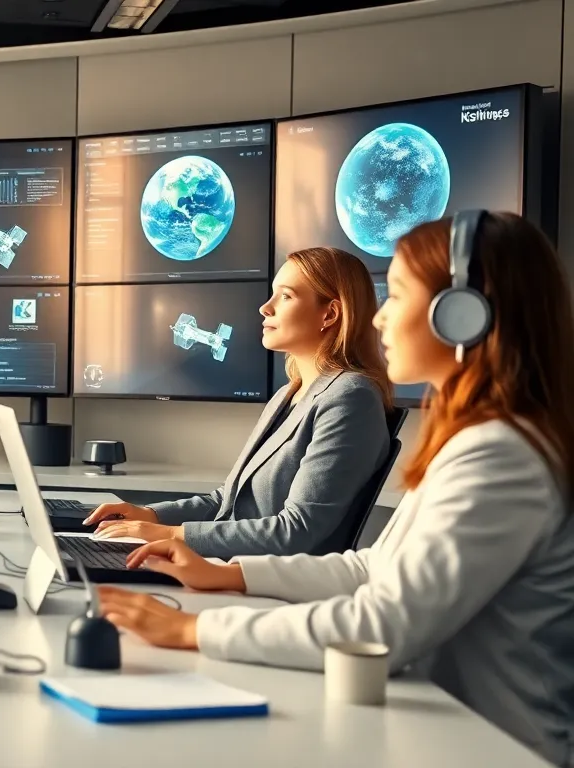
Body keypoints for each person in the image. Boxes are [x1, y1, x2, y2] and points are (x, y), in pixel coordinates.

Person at [99, 212, 574, 766]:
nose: (380, 318)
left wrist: (195, 630)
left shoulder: (501, 456)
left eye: (397, 295)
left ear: (461, 316)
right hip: (439, 729)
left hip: (494, 747)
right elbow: (372, 568)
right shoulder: (476, 440)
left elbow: (383, 625)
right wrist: (230, 574)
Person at [85, 247, 393, 558]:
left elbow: (297, 531)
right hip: (227, 564)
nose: (265, 308)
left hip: (266, 576)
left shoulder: (350, 397)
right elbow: (227, 501)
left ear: (330, 314)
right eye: (272, 294)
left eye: (286, 296)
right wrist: (150, 515)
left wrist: (171, 535)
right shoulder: (288, 394)